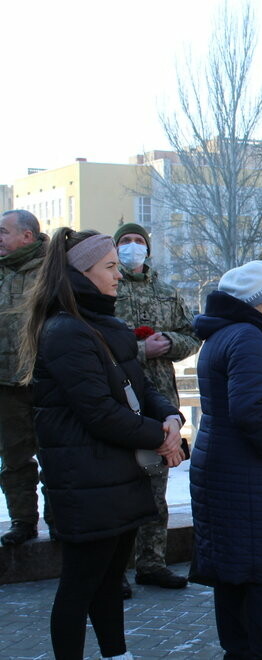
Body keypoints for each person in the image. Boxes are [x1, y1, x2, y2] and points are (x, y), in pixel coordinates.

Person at [20, 228, 184, 659]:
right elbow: (99, 413)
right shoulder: (66, 331)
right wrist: (161, 438)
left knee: (110, 580)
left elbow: (141, 384)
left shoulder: (103, 322)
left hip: (115, 475)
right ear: (82, 273)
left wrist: (170, 417)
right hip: (86, 478)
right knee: (80, 586)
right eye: (109, 267)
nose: (119, 274)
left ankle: (117, 654)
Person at [190, 260, 262, 659]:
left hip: (229, 471)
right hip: (249, 476)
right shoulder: (249, 338)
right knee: (261, 576)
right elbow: (250, 409)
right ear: (257, 301)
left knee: (233, 575)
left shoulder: (226, 334)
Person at [112, 222, 201, 593]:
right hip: (116, 399)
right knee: (116, 487)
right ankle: (114, 569)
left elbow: (191, 334)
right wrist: (138, 350)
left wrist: (170, 342)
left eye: (139, 242)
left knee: (155, 485)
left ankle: (152, 562)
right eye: (126, 242)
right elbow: (93, 341)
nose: (133, 247)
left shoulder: (166, 291)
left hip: (159, 401)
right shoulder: (107, 290)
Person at [0, 209, 46, 546]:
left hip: (48, 383)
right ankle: (22, 521)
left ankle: (63, 522)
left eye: (3, 232)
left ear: (26, 236)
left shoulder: (53, 271)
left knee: (59, 459)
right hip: (6, 384)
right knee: (14, 459)